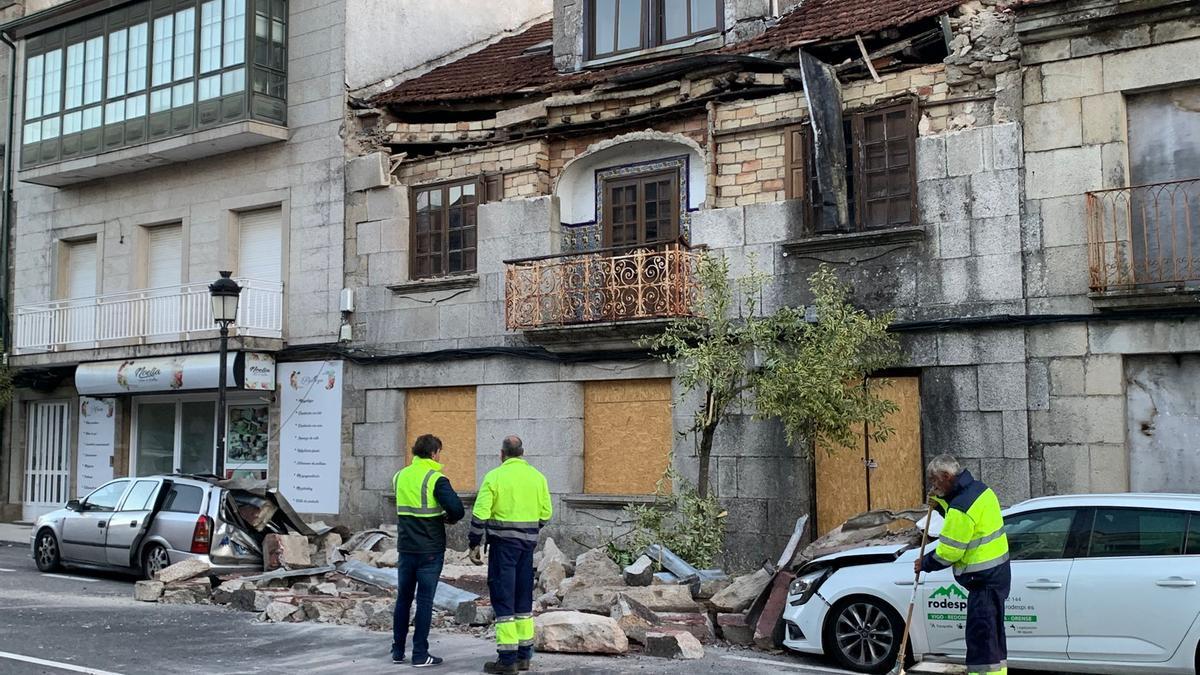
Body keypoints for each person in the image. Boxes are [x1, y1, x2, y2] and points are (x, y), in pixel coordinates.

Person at [915, 454, 1011, 675]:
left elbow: (949, 552)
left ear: (947, 476)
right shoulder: (980, 490)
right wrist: (939, 503)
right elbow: (959, 513)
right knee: (993, 638)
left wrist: (924, 563)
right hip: (997, 576)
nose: (933, 486)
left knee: (982, 640)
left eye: (935, 481)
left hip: (983, 581)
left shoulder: (961, 508)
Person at [467, 436, 553, 674]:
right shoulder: (538, 477)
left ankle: (507, 660)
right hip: (527, 546)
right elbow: (546, 513)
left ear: (501, 454)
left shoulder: (494, 477)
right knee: (523, 598)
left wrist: (474, 543)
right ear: (522, 453)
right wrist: (528, 530)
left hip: (502, 547)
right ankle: (525, 656)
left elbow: (480, 513)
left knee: (504, 598)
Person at [392, 434, 465, 668]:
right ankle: (421, 654)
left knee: (403, 599)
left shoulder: (400, 476)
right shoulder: (436, 478)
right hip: (430, 549)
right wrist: (448, 517)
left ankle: (397, 650)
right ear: (434, 453)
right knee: (424, 601)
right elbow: (457, 510)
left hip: (406, 547)